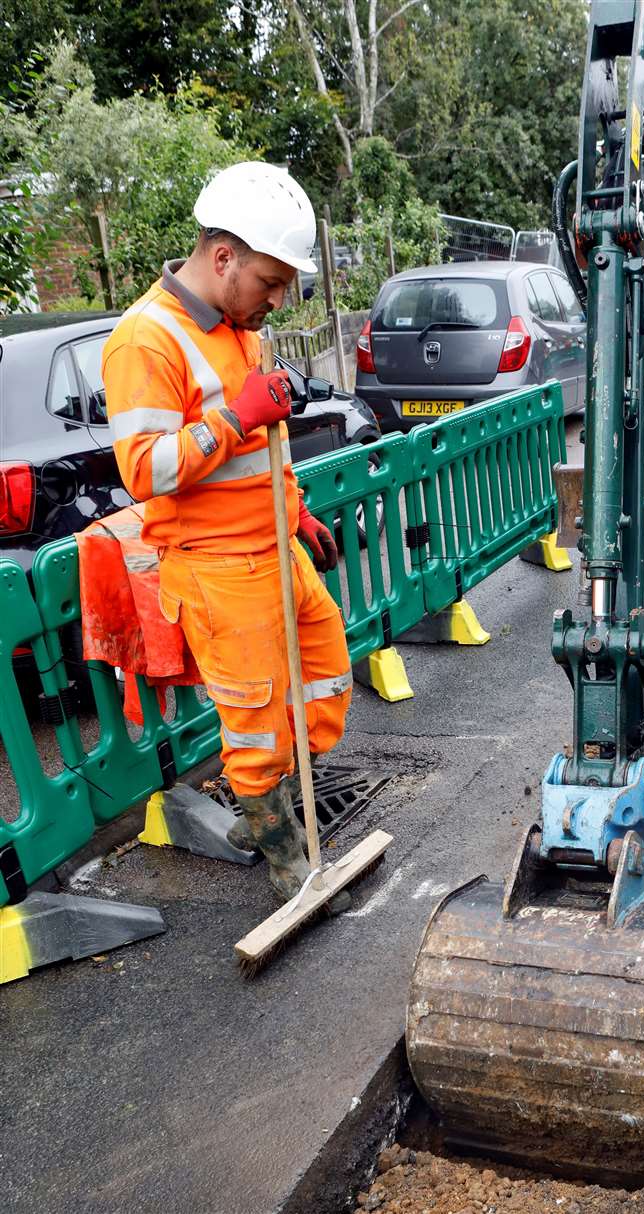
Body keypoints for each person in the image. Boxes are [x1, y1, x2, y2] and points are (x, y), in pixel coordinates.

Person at [102, 161, 352, 909]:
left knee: (327, 669)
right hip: (216, 569)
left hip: (272, 548)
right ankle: (284, 857)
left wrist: (297, 509)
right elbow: (145, 469)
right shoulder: (144, 342)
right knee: (254, 720)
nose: (277, 301)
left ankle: (263, 808)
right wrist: (235, 416)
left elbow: (260, 454)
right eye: (270, 283)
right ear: (222, 258)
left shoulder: (238, 327)